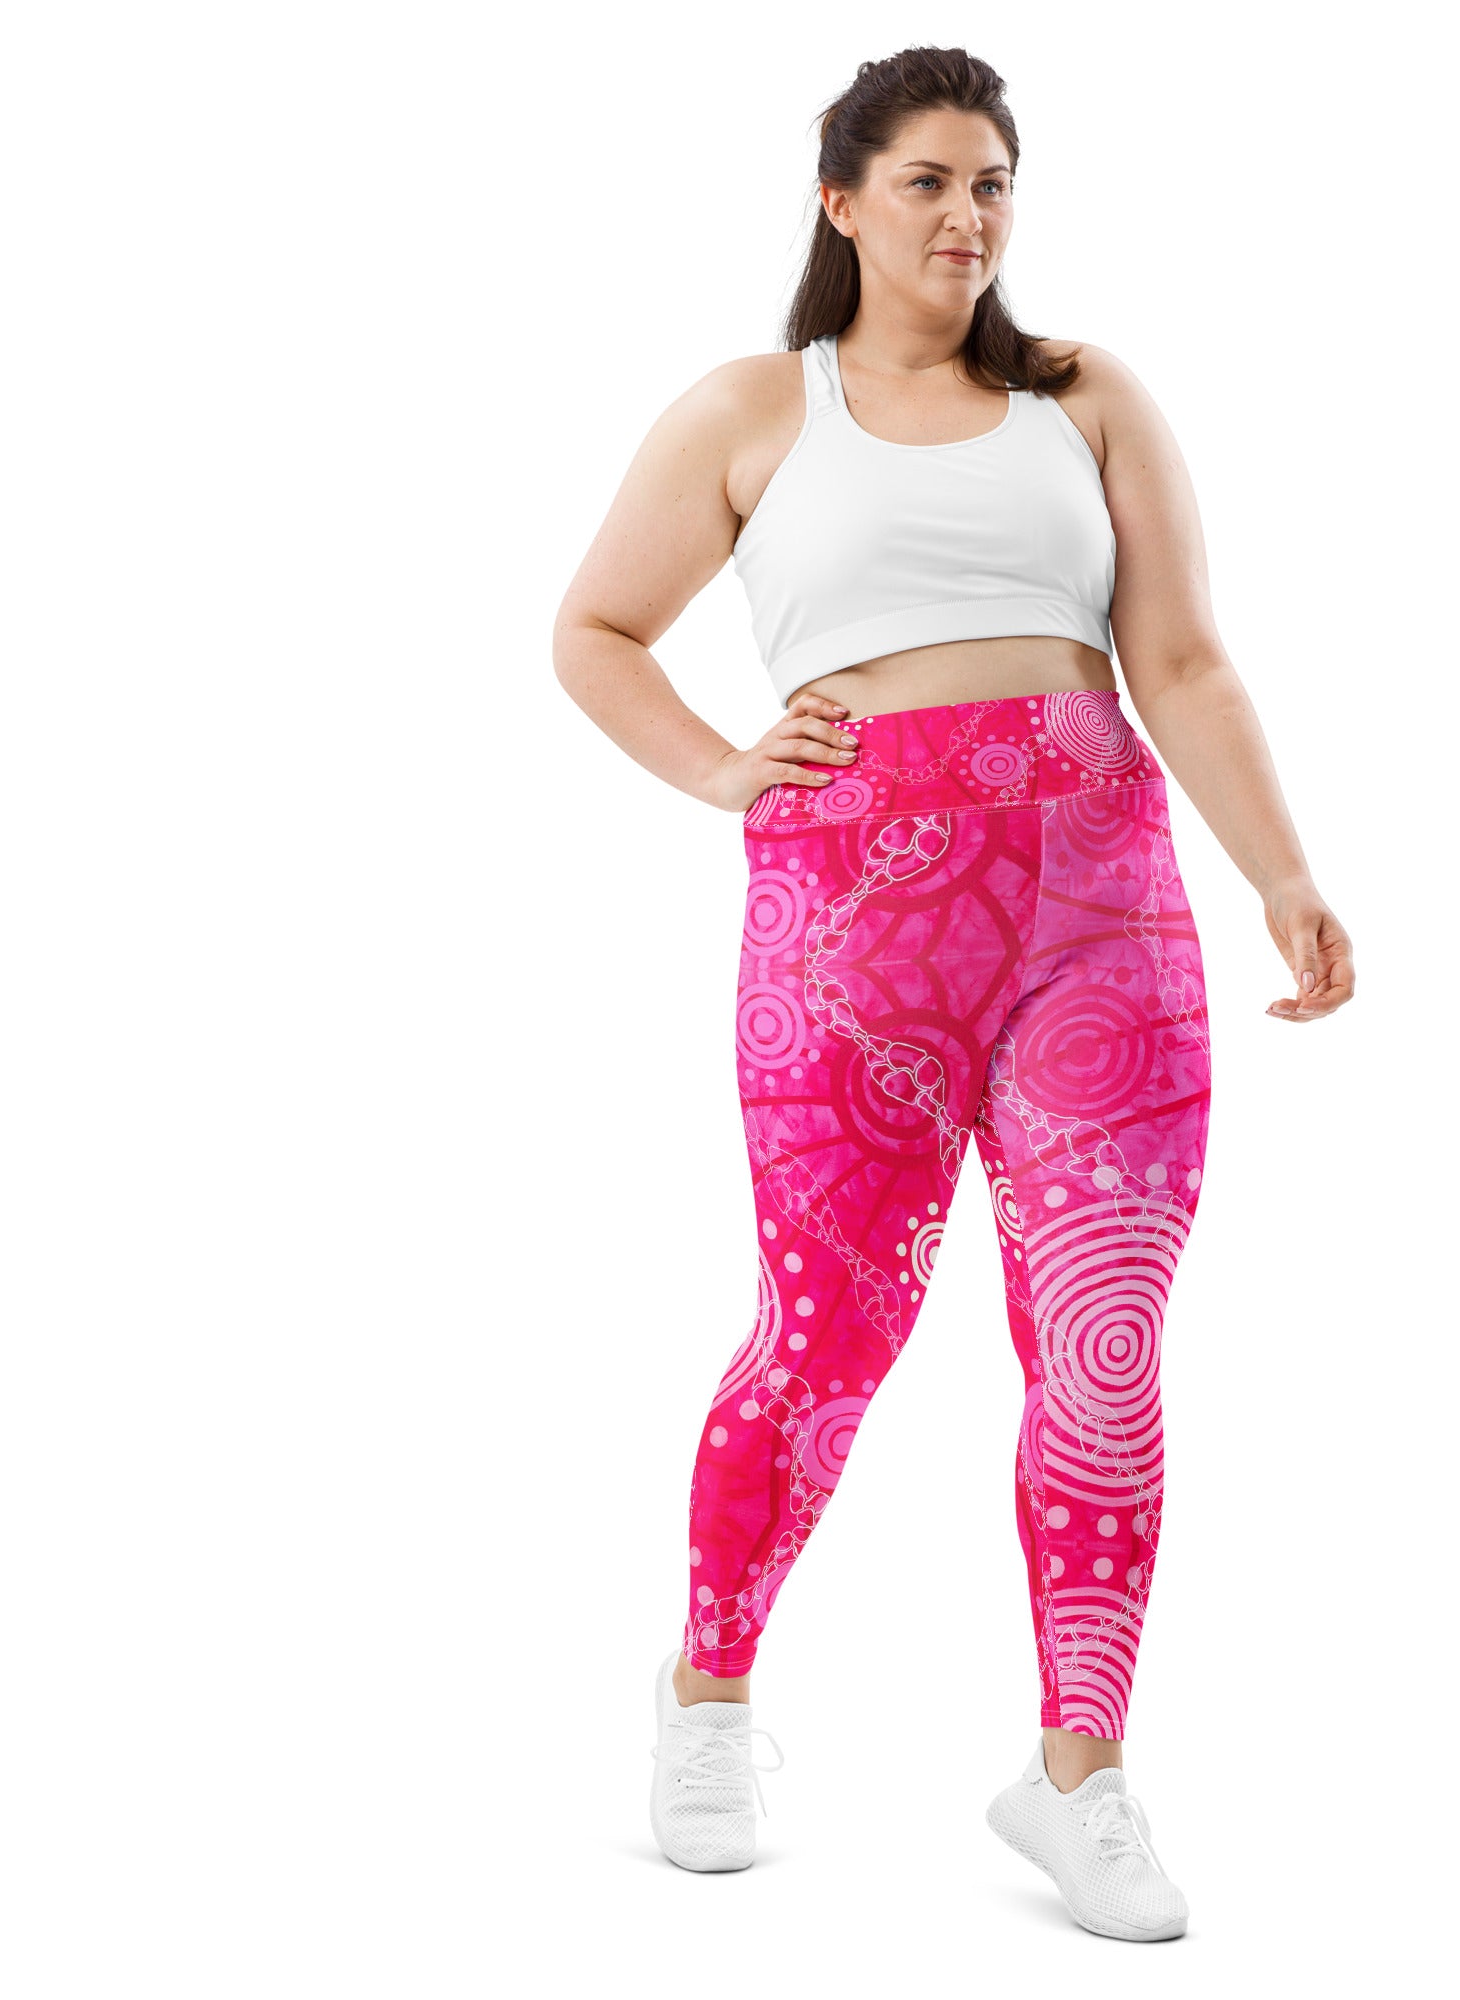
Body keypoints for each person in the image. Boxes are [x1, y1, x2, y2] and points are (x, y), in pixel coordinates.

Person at [552, 47, 1354, 1942]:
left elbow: (1182, 658)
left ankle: (1080, 1770)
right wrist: (722, 767)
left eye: (991, 182)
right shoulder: (756, 409)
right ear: (841, 201)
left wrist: (1283, 873)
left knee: (1102, 1339)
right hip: (854, 935)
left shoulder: (1085, 398)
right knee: (828, 1335)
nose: (965, 216)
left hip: (1100, 920)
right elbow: (593, 631)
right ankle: (709, 1693)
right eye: (924, 181)